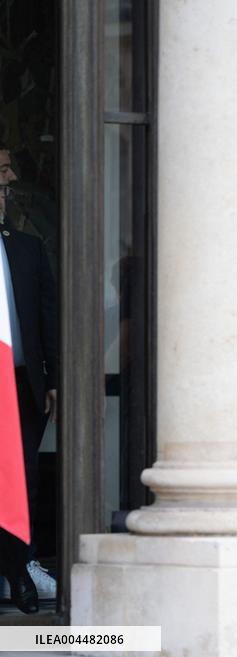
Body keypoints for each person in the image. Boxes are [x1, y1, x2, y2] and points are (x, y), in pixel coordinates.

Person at [0, 144, 57, 611]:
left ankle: (19, 571)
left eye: (6, 184)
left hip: (20, 383)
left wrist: (54, 377)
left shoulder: (27, 248)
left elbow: (47, 319)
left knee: (22, 481)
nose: (5, 190)